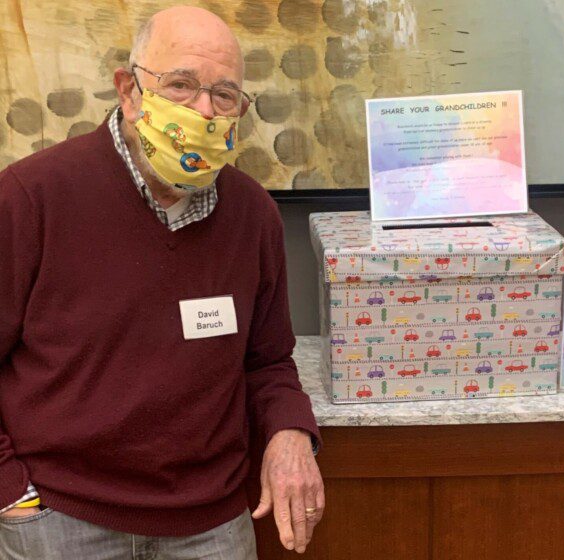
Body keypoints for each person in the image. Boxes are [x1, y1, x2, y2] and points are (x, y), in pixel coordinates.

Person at [0, 6, 324, 559]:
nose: (203, 110)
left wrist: (290, 434)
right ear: (129, 91)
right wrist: (13, 494)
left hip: (211, 525)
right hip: (60, 520)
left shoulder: (253, 216)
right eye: (180, 85)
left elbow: (268, 362)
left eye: (223, 96)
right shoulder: (31, 199)